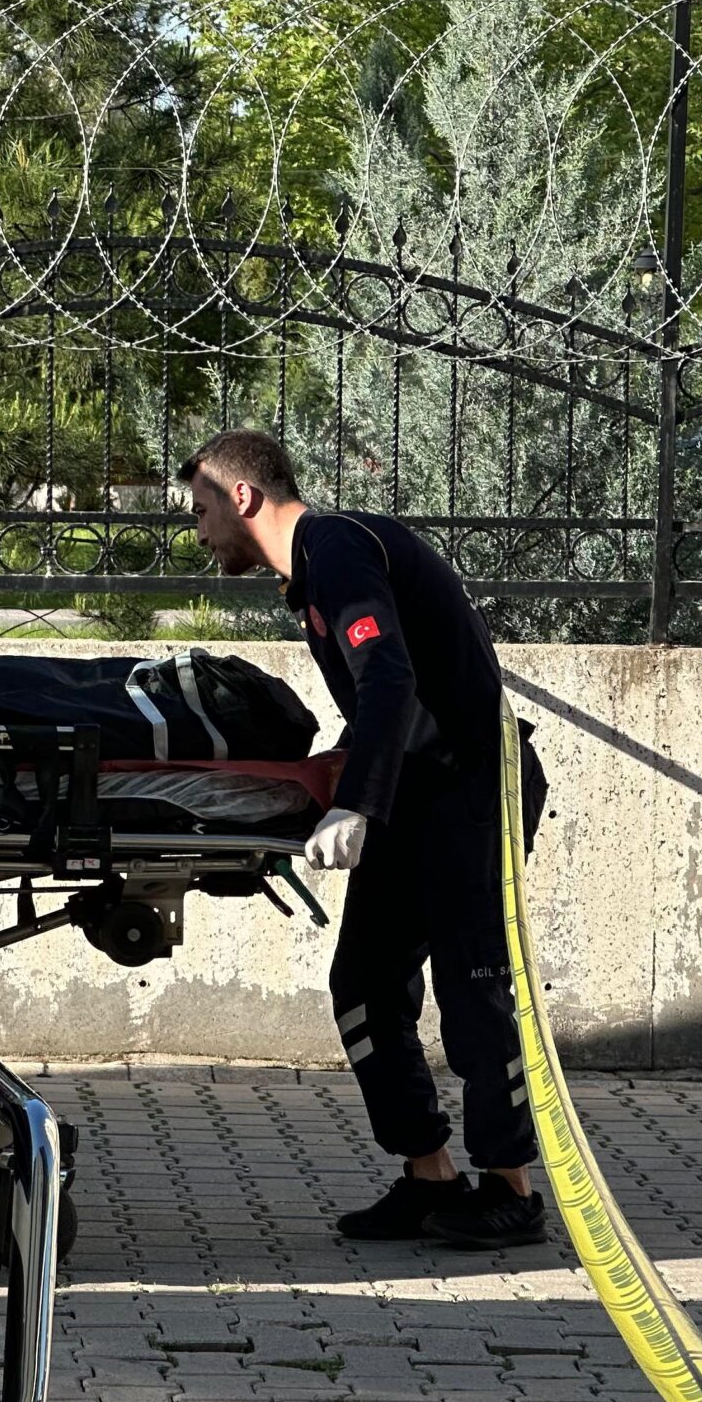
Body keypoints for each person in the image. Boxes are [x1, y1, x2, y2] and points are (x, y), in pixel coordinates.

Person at [180, 428, 547, 1251]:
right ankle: (429, 1175)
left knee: (472, 985)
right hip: (416, 791)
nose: (198, 531)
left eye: (201, 510)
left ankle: (512, 1189)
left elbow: (390, 677)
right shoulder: (317, 570)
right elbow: (388, 698)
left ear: (242, 498)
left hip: (471, 790)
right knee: (366, 982)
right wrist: (338, 782)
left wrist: (359, 806)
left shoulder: (337, 547)